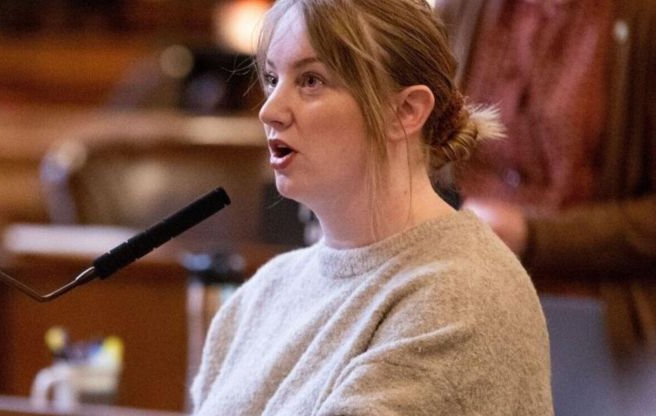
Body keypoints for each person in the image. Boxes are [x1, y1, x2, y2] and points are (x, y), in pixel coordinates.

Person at [190, 0, 553, 414]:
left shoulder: (461, 297)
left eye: (311, 81)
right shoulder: (259, 296)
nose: (269, 110)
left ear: (405, 111)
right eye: (273, 78)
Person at [436, 0, 656, 351]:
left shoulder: (640, 18)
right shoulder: (464, 9)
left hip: (591, 322)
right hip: (459, 294)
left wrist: (533, 236)